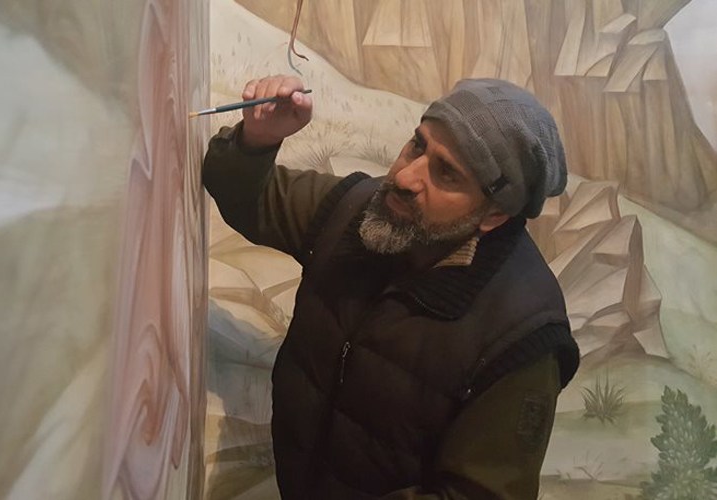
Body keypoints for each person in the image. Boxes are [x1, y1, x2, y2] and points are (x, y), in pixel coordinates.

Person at [202, 74, 580, 499]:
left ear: (494, 214)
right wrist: (257, 139)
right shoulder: (358, 208)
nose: (405, 177)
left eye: (446, 173)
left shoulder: (522, 334)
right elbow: (247, 195)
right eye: (418, 145)